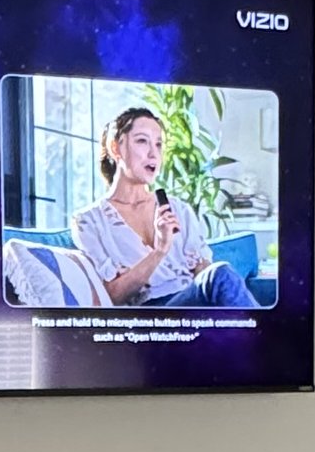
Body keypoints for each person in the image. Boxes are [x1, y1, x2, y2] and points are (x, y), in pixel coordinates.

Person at [68, 106, 257, 309]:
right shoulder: (89, 221)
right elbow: (112, 295)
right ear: (116, 149)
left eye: (158, 145)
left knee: (217, 275)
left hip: (192, 301)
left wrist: (201, 267)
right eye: (142, 141)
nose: (153, 153)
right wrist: (160, 250)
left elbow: (202, 272)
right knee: (220, 275)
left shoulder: (179, 209)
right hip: (149, 315)